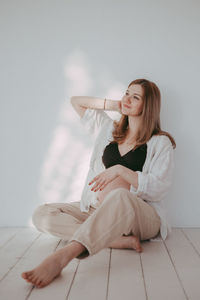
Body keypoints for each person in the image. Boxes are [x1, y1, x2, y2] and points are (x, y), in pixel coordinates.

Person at [21, 78, 176, 288]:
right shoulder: (108, 129)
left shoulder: (160, 142)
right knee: (41, 215)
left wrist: (120, 170)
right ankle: (114, 240)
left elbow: (159, 188)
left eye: (135, 97)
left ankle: (65, 255)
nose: (127, 98)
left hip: (140, 216)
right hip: (96, 209)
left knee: (121, 195)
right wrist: (115, 105)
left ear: (148, 105)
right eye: (126, 93)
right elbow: (76, 101)